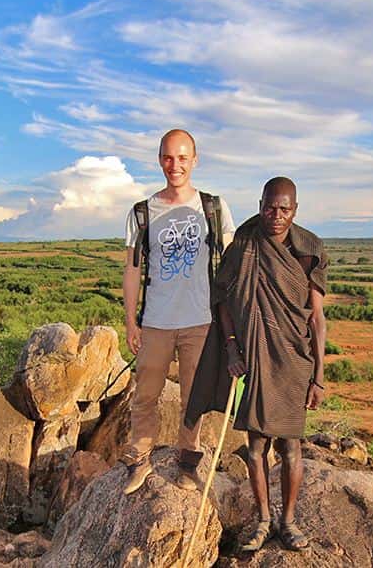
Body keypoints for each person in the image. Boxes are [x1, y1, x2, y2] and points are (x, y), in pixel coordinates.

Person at [185, 176, 328, 553]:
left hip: (295, 360)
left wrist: (319, 377)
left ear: (295, 210)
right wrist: (232, 349)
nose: (275, 216)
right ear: (260, 202)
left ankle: (289, 522)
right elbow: (223, 297)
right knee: (254, 447)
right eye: (269, 207)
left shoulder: (309, 249)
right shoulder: (246, 243)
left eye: (284, 209)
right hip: (257, 357)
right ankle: (264, 521)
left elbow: (316, 318)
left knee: (292, 447)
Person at [120, 128, 235, 495]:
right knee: (145, 396)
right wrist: (130, 322)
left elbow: (232, 264)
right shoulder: (143, 212)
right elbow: (133, 270)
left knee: (194, 399)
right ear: (159, 160)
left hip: (200, 320)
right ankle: (139, 460)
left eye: (182, 158)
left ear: (194, 160)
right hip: (155, 321)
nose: (175, 165)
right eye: (169, 157)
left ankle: (188, 464)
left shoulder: (212, 208)